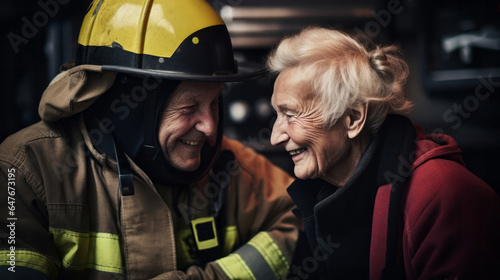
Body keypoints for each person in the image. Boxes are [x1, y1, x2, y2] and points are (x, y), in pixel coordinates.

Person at [0, 1, 299, 279]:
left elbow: (299, 218)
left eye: (215, 103)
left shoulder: (230, 166)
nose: (210, 128)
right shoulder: (22, 172)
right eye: (189, 107)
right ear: (130, 105)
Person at [267, 27, 500, 279]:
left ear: (353, 118)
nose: (275, 137)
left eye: (290, 115)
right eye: (277, 115)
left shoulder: (443, 193)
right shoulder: (320, 193)